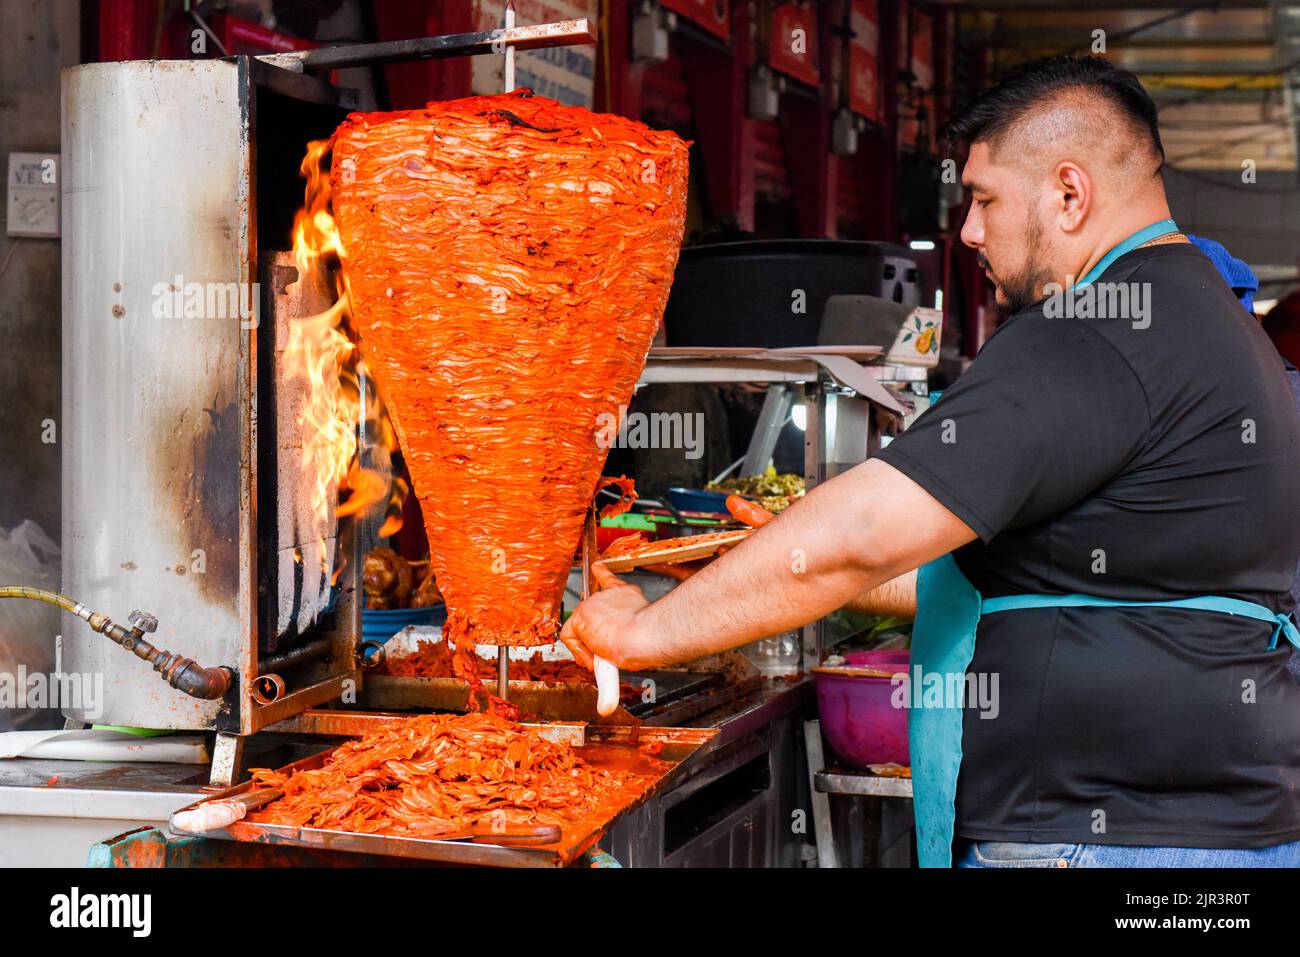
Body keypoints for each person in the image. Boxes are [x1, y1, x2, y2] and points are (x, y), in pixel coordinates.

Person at [562, 56, 1300, 868]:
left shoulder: (1094, 327)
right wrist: (753, 560)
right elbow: (1000, 572)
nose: (969, 232)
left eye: (983, 199)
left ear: (1069, 192)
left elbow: (865, 533)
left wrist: (644, 632)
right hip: (1194, 834)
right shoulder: (1195, 314)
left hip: (1108, 837)